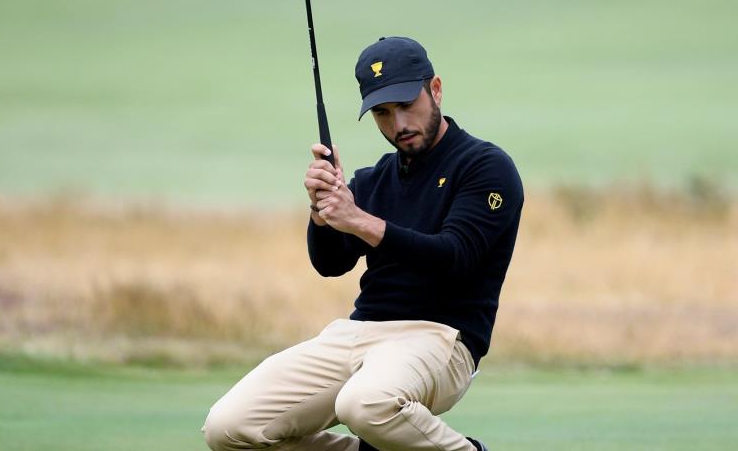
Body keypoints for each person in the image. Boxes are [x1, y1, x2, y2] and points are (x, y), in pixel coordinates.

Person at [201, 36, 523, 451]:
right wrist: (323, 211)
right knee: (229, 427)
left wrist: (360, 220)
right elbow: (330, 264)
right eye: (383, 113)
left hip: (442, 337)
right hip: (358, 333)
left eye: (408, 105)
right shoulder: (373, 180)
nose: (399, 125)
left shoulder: (484, 166)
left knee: (364, 404)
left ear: (436, 89)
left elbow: (454, 256)